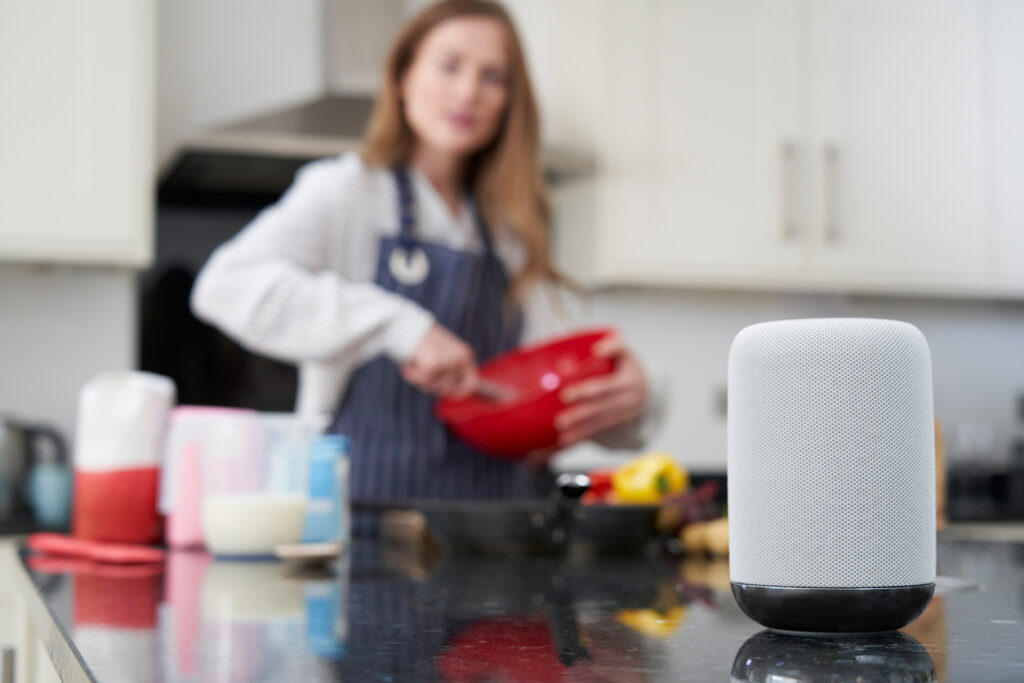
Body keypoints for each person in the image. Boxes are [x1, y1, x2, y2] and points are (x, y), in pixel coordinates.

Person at [191, 0, 657, 515]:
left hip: (500, 537)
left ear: (509, 101)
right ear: (403, 78)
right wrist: (400, 327)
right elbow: (224, 286)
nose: (467, 92)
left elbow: (547, 395)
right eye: (450, 65)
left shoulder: (513, 229)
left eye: (492, 76)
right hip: (366, 529)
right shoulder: (347, 193)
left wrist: (630, 398)